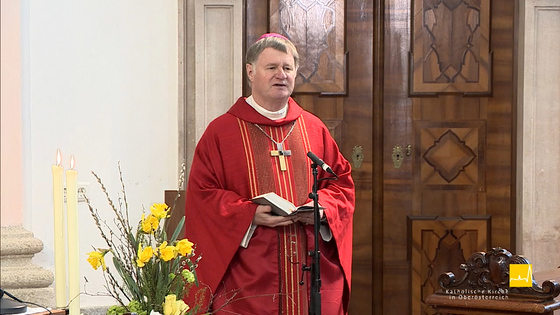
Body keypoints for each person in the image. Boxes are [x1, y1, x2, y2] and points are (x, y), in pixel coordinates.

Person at [184, 33, 355, 315]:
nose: (281, 75)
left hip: (311, 271)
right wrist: (249, 214)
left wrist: (321, 208)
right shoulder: (222, 132)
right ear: (250, 71)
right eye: (272, 67)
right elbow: (203, 196)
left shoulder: (313, 128)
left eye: (288, 68)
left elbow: (342, 186)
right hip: (250, 277)